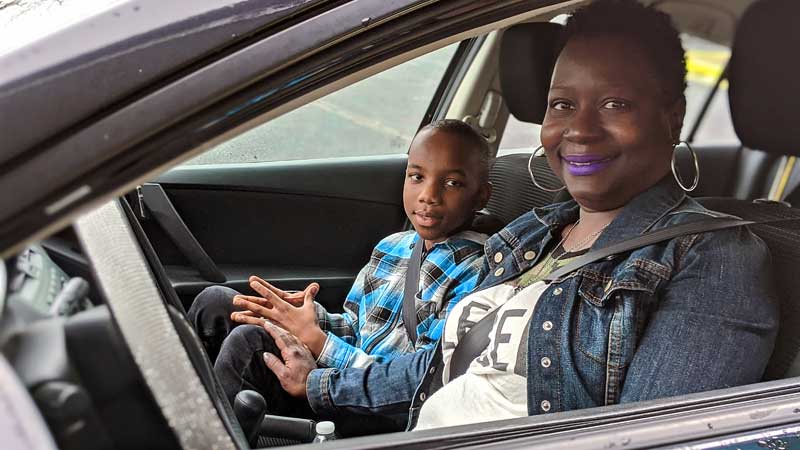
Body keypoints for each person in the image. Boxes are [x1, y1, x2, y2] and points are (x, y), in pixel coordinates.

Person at [247, 0, 780, 433]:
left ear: (672, 117)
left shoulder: (715, 259)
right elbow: (442, 366)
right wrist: (319, 384)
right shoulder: (532, 232)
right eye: (562, 104)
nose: (579, 130)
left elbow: (651, 438)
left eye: (615, 104)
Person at [189, 119, 494, 418]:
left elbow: (421, 376)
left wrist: (319, 344)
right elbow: (355, 326)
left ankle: (203, 436)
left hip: (367, 402)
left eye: (452, 183)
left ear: (480, 196)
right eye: (417, 177)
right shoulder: (394, 246)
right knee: (216, 302)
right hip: (339, 365)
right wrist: (301, 318)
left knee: (249, 342)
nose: (429, 195)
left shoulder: (477, 272)